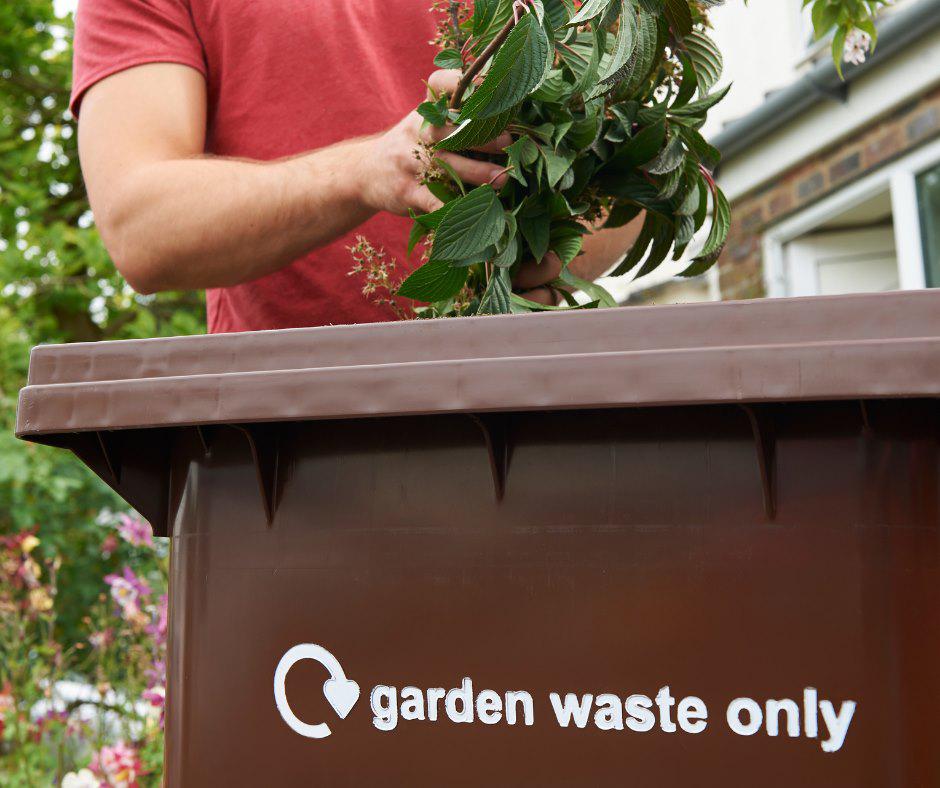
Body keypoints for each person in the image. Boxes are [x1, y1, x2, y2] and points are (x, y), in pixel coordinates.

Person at [72, 0, 636, 333]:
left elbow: (639, 175)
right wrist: (363, 172)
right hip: (281, 435)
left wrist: (551, 250)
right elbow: (140, 224)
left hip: (515, 399)